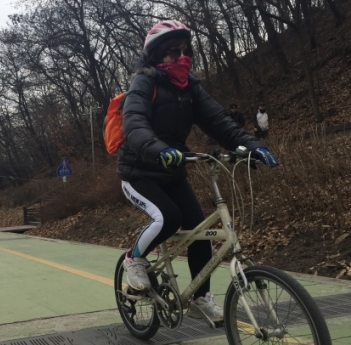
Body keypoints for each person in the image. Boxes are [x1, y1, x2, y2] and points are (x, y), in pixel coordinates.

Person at [118, 20, 279, 322]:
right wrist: (156, 149)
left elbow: (221, 123)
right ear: (155, 56)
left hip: (173, 171)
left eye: (185, 51)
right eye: (171, 52)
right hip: (138, 172)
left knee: (200, 229)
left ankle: (200, 297)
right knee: (168, 217)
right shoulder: (144, 83)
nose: (181, 58)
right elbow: (133, 125)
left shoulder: (191, 88)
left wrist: (252, 145)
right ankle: (133, 259)